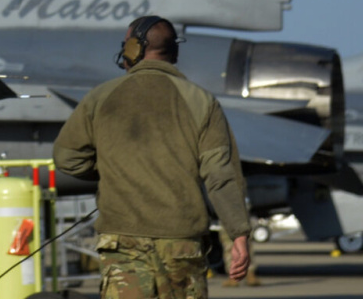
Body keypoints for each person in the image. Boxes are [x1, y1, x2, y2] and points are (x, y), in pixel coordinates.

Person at [53, 16, 251, 298]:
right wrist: (239, 233)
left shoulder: (100, 98)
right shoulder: (201, 101)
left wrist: (112, 169)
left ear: (133, 48)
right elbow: (221, 175)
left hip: (122, 243)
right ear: (174, 51)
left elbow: (66, 157)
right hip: (181, 242)